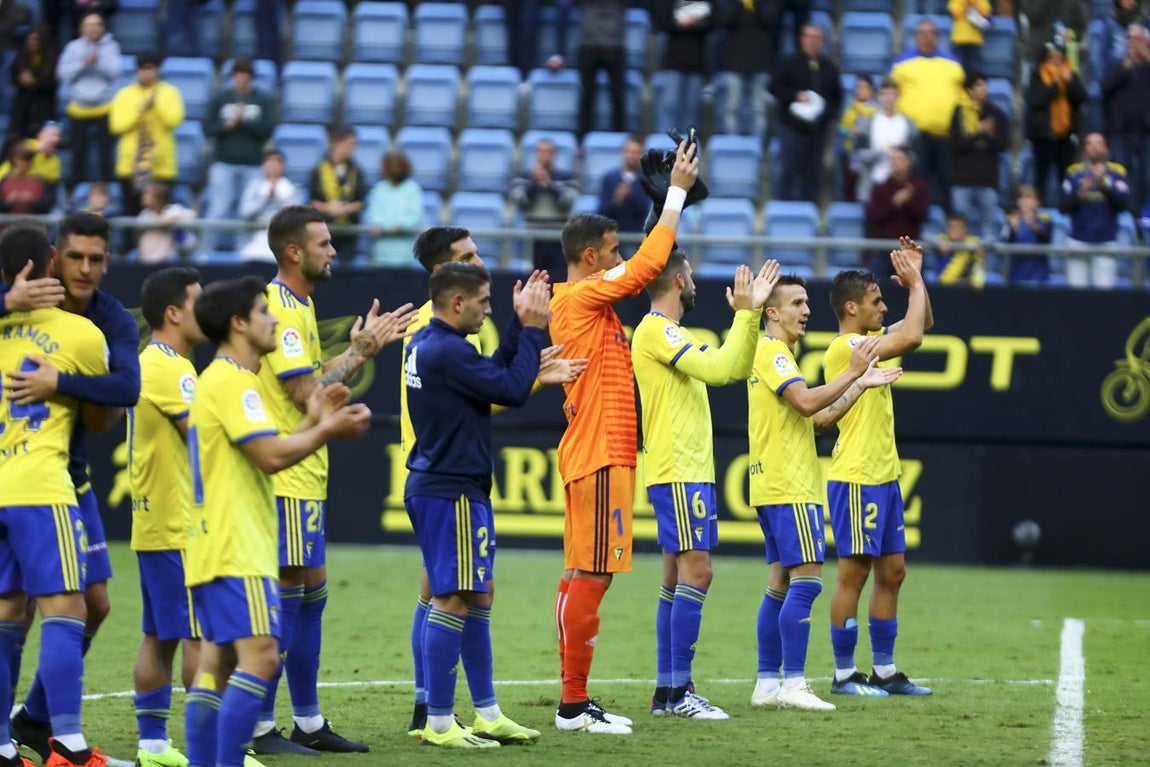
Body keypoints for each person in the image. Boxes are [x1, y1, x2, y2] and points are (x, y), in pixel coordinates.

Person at [398, 227, 586, 737]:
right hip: (450, 486)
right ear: (454, 300)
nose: (487, 309)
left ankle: (487, 713)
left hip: (451, 483)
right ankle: (437, 719)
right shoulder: (446, 350)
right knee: (452, 597)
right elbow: (508, 388)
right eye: (482, 302)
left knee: (476, 595)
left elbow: (494, 373)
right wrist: (530, 328)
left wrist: (520, 345)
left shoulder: (434, 342)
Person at [181, 275, 372, 767]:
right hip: (234, 543)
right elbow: (269, 457)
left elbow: (262, 449)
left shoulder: (228, 381)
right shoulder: (233, 383)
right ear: (239, 324)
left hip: (217, 541)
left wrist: (313, 419)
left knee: (216, 667)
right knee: (261, 658)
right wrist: (329, 427)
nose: (273, 319)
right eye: (264, 313)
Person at [249, 205, 414, 756]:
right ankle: (260, 728)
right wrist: (359, 354)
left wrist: (349, 364)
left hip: (307, 473)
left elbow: (312, 389)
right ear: (294, 251)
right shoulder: (282, 308)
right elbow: (304, 395)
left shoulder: (299, 305)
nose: (334, 251)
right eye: (324, 243)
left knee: (311, 595)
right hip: (289, 474)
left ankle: (308, 722)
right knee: (288, 597)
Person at [549, 140, 699, 735]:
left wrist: (659, 204)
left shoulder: (587, 302)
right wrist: (678, 196)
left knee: (580, 573)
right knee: (593, 574)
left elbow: (632, 267)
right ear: (590, 258)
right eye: (610, 253)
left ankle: (572, 700)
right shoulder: (585, 296)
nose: (620, 262)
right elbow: (641, 271)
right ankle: (573, 704)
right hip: (602, 453)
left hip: (596, 453)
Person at [5, 212, 141, 763]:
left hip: (71, 474)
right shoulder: (24, 303)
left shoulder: (111, 320)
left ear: (107, 261)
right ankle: (63, 737)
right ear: (53, 258)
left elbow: (125, 387)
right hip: (42, 476)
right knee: (51, 605)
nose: (86, 269)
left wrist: (57, 381)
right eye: (76, 257)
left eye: (97, 258)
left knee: (95, 603)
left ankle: (34, 720)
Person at [634, 254, 780, 719]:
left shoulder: (669, 334)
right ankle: (678, 694)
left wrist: (750, 314)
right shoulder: (658, 329)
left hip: (683, 469)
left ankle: (667, 692)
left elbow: (730, 368)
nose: (695, 283)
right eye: (692, 276)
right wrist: (746, 312)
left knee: (677, 579)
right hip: (679, 470)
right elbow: (721, 371)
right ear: (679, 281)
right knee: (698, 573)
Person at [748, 273, 902, 712]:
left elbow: (818, 419)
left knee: (779, 583)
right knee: (808, 581)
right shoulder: (773, 352)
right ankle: (794, 682)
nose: (807, 310)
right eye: (797, 303)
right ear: (772, 312)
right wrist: (854, 372)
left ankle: (766, 682)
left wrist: (858, 385)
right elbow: (806, 403)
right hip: (790, 483)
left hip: (772, 481)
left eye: (807, 302)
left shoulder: (777, 355)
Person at [824, 241, 934, 699]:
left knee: (893, 573)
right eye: (876, 301)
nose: (884, 307)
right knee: (854, 574)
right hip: (857, 477)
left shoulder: (871, 341)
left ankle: (885, 671)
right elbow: (912, 335)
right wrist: (913, 283)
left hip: (884, 477)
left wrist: (919, 280)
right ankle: (845, 674)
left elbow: (921, 323)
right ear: (852, 308)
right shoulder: (849, 347)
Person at [129, 266, 207, 767]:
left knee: (158, 634)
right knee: (203, 635)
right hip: (179, 523)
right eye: (199, 304)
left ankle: (154, 745)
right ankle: (211, 747)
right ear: (174, 313)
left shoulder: (153, 362)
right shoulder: (173, 368)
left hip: (154, 520)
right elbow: (204, 440)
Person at [202, 57, 278, 255]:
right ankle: (203, 253)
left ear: (251, 78)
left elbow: (268, 130)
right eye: (238, 75)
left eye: (246, 76)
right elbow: (208, 128)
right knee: (218, 208)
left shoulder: (262, 99)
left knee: (248, 213)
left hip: (253, 164)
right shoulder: (221, 98)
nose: (242, 79)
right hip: (223, 163)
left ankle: (244, 253)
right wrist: (226, 125)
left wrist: (244, 121)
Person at [891, 19, 965, 213]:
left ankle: (950, 231)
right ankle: (917, 230)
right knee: (917, 183)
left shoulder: (953, 64)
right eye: (922, 33)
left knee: (947, 181)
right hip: (916, 137)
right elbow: (890, 94)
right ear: (915, 36)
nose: (926, 36)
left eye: (931, 32)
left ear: (937, 36)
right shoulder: (901, 63)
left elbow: (962, 97)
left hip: (946, 135)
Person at [770, 24, 843, 203]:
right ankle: (784, 207)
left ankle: (810, 209)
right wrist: (795, 96)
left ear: (822, 42)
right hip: (791, 127)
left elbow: (837, 98)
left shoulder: (829, 68)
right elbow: (774, 87)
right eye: (808, 37)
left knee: (812, 173)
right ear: (801, 39)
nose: (812, 41)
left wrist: (826, 113)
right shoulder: (788, 62)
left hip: (817, 130)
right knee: (788, 169)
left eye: (816, 38)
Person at [108, 52, 186, 216]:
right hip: (131, 168)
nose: (146, 73)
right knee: (132, 216)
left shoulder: (170, 93)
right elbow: (116, 126)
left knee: (161, 216)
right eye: (142, 69)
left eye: (150, 69)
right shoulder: (124, 94)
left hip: (161, 167)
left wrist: (156, 106)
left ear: (157, 70)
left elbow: (175, 120)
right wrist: (140, 112)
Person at [55, 13, 120, 190]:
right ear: (82, 28)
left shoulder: (111, 47)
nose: (93, 28)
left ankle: (108, 192)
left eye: (97, 24)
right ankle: (75, 192)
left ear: (102, 27)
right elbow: (62, 74)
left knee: (106, 155)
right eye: (89, 25)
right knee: (78, 154)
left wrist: (97, 61)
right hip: (79, 108)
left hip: (104, 107)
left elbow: (115, 73)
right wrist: (84, 63)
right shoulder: (72, 47)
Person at [1059, 132, 1130, 288]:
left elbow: (1123, 206)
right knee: (1076, 299)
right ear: (1085, 150)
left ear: (1106, 149)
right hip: (1078, 242)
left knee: (1105, 298)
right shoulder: (1073, 172)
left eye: (1099, 143)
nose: (1095, 147)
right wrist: (1081, 192)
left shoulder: (1118, 172)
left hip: (1106, 243)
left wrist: (1105, 187)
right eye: (1090, 143)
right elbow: (1063, 207)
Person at [949, 73, 1009, 244]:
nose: (985, 89)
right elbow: (955, 146)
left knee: (988, 234)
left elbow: (1003, 146)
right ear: (970, 90)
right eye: (979, 85)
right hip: (962, 180)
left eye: (985, 85)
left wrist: (989, 135)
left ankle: (986, 269)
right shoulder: (959, 113)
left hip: (987, 181)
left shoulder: (997, 115)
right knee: (961, 232)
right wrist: (977, 132)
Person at [1024, 42, 1086, 206]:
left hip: (1065, 137)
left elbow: (1081, 97)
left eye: (1059, 57)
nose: (1056, 62)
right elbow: (1035, 100)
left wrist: (1070, 82)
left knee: (1066, 178)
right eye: (1052, 58)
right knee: (1040, 178)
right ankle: (1039, 211)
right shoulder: (1037, 75)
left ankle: (1066, 211)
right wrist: (1055, 86)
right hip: (1042, 136)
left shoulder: (1071, 74)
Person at [510, 138, 579, 276]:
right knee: (534, 276)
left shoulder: (567, 177)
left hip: (558, 236)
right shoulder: (523, 177)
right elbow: (520, 201)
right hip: (533, 236)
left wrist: (548, 183)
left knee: (559, 276)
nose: (544, 155)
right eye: (540, 151)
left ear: (554, 154)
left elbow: (567, 201)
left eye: (548, 151)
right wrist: (534, 184)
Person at [1101, 24, 1150, 213]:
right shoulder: (1117, 63)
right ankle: (1126, 215)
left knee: (1147, 176)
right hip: (1120, 131)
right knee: (1122, 175)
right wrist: (1125, 67)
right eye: (1131, 39)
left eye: (1138, 40)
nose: (1134, 44)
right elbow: (1104, 87)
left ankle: (1145, 216)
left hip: (1147, 131)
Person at [865, 146, 930, 277]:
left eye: (899, 159)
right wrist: (893, 204)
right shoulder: (880, 187)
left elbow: (923, 215)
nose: (895, 163)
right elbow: (873, 215)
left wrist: (909, 202)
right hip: (883, 251)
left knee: (916, 290)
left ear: (909, 163)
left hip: (910, 251)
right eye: (892, 160)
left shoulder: (919, 188)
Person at [307, 124, 367, 262]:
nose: (354, 148)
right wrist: (329, 208)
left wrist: (345, 209)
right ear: (337, 143)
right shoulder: (319, 169)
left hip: (349, 234)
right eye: (351, 144)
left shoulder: (356, 171)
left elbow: (361, 201)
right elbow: (312, 200)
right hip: (324, 231)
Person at [853, 79, 918, 205]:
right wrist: (880, 152)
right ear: (879, 96)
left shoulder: (909, 125)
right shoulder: (866, 123)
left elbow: (916, 156)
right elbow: (858, 153)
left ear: (898, 97)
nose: (888, 98)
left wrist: (900, 156)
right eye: (884, 94)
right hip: (872, 187)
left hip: (900, 188)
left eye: (892, 94)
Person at [716, 0, 775, 138]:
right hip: (733, 62)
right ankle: (733, 146)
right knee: (731, 108)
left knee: (758, 109)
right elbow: (723, 21)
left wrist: (755, 3)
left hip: (760, 63)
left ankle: (756, 149)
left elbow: (772, 19)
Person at [653, 0, 712, 133]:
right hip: (673, 62)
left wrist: (696, 23)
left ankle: (689, 148)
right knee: (669, 105)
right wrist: (679, 23)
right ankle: (665, 144)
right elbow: (661, 21)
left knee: (692, 109)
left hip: (697, 63)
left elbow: (716, 22)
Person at [574, 0, 625, 138]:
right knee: (587, 95)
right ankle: (583, 138)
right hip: (588, 46)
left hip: (614, 46)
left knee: (618, 96)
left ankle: (619, 136)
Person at [238, 150, 300, 262]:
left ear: (283, 166)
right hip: (255, 235)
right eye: (270, 162)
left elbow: (295, 216)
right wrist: (264, 199)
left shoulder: (291, 188)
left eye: (277, 162)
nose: (274, 166)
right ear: (263, 165)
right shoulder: (254, 186)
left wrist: (279, 198)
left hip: (282, 237)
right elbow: (245, 212)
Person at [365, 150, 424, 266]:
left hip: (405, 255)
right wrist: (377, 223)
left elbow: (415, 215)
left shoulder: (413, 189)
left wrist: (401, 224)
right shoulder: (379, 188)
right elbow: (373, 213)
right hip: (381, 254)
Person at [7, 25, 57, 142]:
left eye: (35, 39)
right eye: (29, 39)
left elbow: (53, 83)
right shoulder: (21, 57)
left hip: (44, 107)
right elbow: (13, 76)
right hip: (22, 107)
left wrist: (35, 82)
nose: (32, 43)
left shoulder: (51, 58)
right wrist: (21, 79)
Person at [597, 136, 650, 235]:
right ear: (622, 153)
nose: (632, 155)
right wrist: (617, 199)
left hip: (636, 235)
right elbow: (601, 211)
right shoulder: (609, 178)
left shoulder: (647, 180)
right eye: (628, 151)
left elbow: (646, 211)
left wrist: (631, 195)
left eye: (636, 152)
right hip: (611, 234)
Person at [1002, 184, 1054, 284]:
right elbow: (1004, 243)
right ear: (1018, 202)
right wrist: (1012, 230)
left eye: (1029, 197)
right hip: (1015, 276)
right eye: (1021, 198)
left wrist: (1033, 225)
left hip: (1039, 277)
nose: (1024, 201)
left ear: (1037, 202)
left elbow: (1046, 240)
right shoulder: (1011, 219)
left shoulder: (1045, 218)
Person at [136, 182, 197, 264]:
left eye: (148, 194)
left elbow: (192, 214)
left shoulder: (172, 210)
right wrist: (160, 222)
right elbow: (139, 225)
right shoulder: (145, 214)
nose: (143, 196)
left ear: (159, 197)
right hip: (146, 260)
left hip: (167, 261)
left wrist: (172, 217)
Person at [840, 76, 877, 202]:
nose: (860, 90)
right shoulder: (850, 109)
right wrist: (849, 131)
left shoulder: (877, 111)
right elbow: (842, 128)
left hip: (869, 153)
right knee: (851, 182)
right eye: (858, 87)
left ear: (871, 91)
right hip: (852, 153)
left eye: (864, 87)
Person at [936, 213, 987, 288]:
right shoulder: (942, 239)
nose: (955, 230)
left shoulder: (972, 242)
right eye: (952, 227)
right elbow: (927, 237)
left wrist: (981, 250)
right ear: (947, 229)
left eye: (959, 227)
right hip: (943, 286)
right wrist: (939, 244)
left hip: (968, 287)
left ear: (966, 229)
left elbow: (989, 241)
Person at [0, 144, 52, 215]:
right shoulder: (5, 181)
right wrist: (8, 202)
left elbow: (47, 208)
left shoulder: (39, 181)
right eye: (21, 160)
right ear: (13, 161)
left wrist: (33, 201)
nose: (24, 164)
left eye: (27, 160)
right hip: (8, 224)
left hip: (33, 224)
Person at [947, 0, 992, 75]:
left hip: (975, 40)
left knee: (975, 71)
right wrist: (965, 2)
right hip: (959, 39)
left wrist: (975, 2)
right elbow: (955, 13)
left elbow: (986, 13)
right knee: (957, 69)